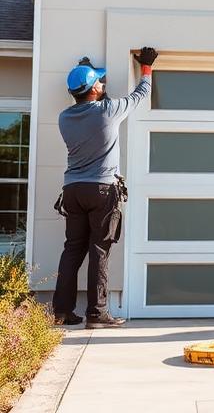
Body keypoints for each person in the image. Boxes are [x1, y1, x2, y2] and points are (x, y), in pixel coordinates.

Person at [52, 47, 158, 329]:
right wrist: (146, 67)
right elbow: (139, 95)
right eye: (99, 81)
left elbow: (94, 104)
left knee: (72, 250)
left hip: (73, 190)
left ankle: (62, 311)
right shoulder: (109, 110)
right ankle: (97, 314)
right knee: (99, 250)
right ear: (94, 90)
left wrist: (87, 71)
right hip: (101, 190)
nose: (103, 83)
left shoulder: (65, 118)